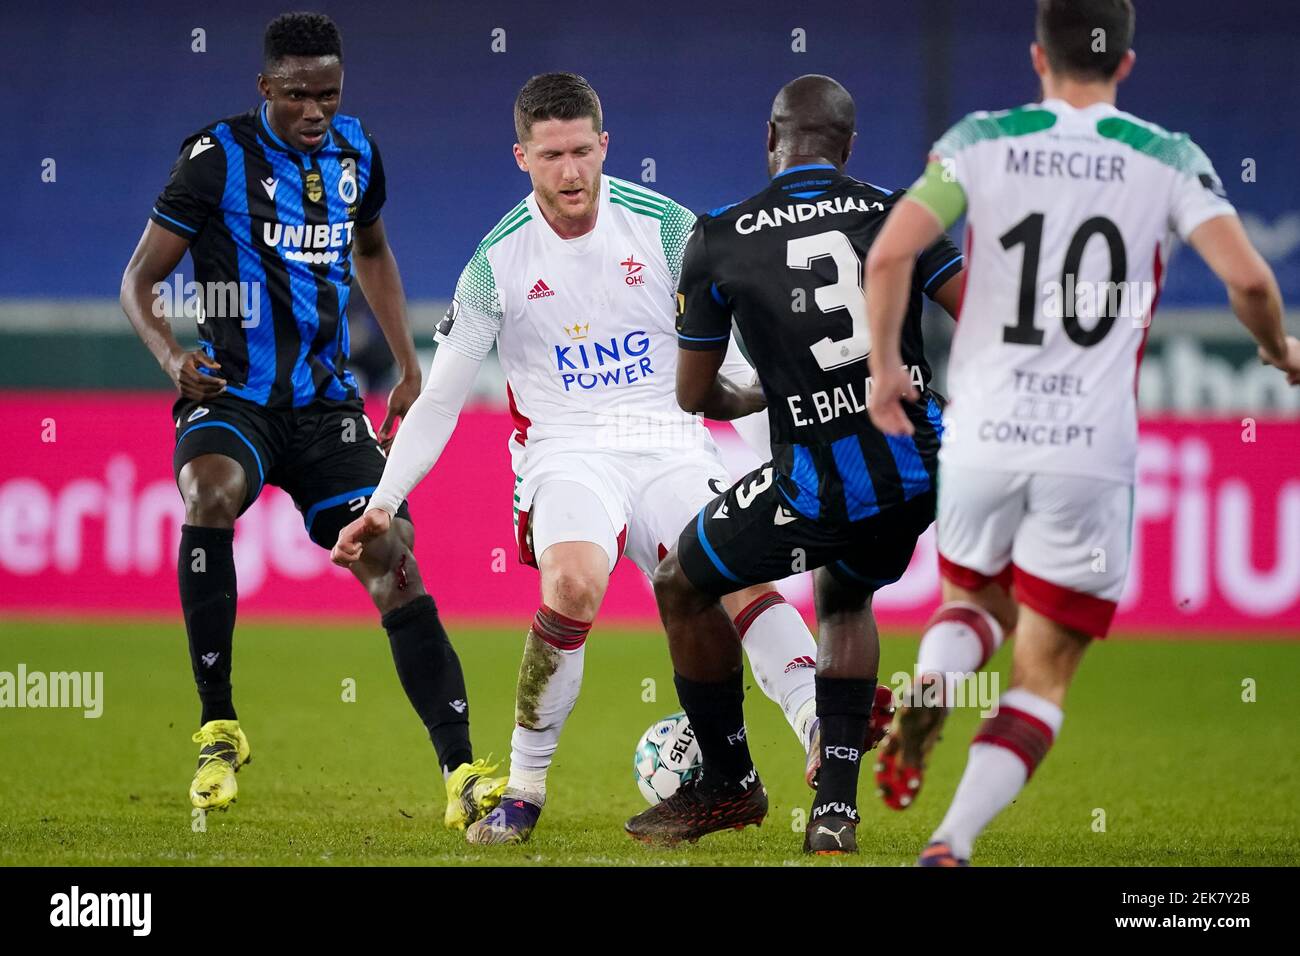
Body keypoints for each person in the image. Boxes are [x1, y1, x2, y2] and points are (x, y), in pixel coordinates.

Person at [333, 72, 840, 845]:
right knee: (572, 582)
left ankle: (818, 726)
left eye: (581, 151)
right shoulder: (496, 262)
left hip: (672, 439)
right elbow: (440, 398)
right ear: (521, 158)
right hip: (565, 451)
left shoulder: (669, 229)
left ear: (605, 146)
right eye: (550, 155)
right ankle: (526, 788)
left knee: (737, 575)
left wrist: (790, 462)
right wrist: (384, 497)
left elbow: (740, 371)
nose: (570, 172)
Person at [864, 0, 1299, 865]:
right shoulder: (1166, 157)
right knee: (1045, 670)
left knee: (971, 599)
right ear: (1126, 65)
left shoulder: (982, 138)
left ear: (1037, 56)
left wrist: (885, 369)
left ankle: (933, 682)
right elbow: (1248, 279)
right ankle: (952, 840)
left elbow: (889, 255)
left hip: (984, 436)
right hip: (1089, 452)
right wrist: (1276, 348)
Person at [119, 12, 504, 827]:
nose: (315, 111)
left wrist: (407, 366)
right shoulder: (215, 159)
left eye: (328, 93)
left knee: (394, 555)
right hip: (235, 397)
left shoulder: (357, 151)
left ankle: (462, 771)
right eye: (297, 95)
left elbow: (372, 251)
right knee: (208, 494)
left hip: (329, 407)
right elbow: (138, 280)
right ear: (265, 88)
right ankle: (219, 725)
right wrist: (169, 358)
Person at [623, 74, 965, 854]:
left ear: (770, 141)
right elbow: (978, 311)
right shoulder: (899, 213)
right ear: (848, 148)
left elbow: (692, 395)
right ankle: (835, 816)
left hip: (813, 485)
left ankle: (728, 782)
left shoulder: (719, 237)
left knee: (682, 577)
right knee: (844, 595)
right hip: (918, 469)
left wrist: (750, 396)